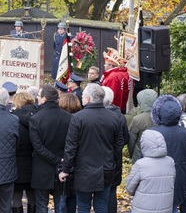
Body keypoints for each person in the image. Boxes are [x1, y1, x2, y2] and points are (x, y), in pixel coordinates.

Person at [58, 84, 124, 213]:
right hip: (106, 169)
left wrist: (65, 169)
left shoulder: (78, 118)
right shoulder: (114, 117)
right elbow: (119, 145)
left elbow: (71, 147)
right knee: (102, 205)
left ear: (87, 99)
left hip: (83, 171)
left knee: (83, 206)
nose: (82, 98)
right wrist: (113, 162)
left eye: (83, 96)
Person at [30, 84, 72, 213]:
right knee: (60, 204)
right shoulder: (68, 117)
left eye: (38, 96)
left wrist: (56, 160)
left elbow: (38, 147)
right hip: (63, 166)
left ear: (44, 99)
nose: (37, 98)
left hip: (42, 168)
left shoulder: (35, 119)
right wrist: (61, 160)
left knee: (42, 205)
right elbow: (71, 143)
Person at [150, 95, 186, 212]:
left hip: (157, 176)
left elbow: (144, 157)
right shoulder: (184, 132)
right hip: (178, 175)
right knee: (173, 205)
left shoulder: (152, 132)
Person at [125, 129, 176, 213]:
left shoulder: (140, 164)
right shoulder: (170, 162)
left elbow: (130, 188)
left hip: (142, 208)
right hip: (165, 208)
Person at [102, 86, 129, 213]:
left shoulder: (98, 115)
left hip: (100, 158)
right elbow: (125, 138)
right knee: (111, 191)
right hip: (114, 158)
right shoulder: (120, 116)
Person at [11, 91, 37, 213]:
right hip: (35, 162)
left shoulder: (14, 119)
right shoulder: (38, 116)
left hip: (17, 162)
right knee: (33, 195)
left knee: (16, 195)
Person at [127, 89, 157, 163]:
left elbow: (131, 141)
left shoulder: (137, 119)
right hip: (157, 153)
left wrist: (132, 155)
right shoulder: (159, 117)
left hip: (140, 155)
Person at [101, 48, 130, 113]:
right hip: (119, 108)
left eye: (105, 64)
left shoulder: (112, 77)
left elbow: (110, 95)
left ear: (111, 65)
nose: (104, 65)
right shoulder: (120, 74)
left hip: (110, 110)